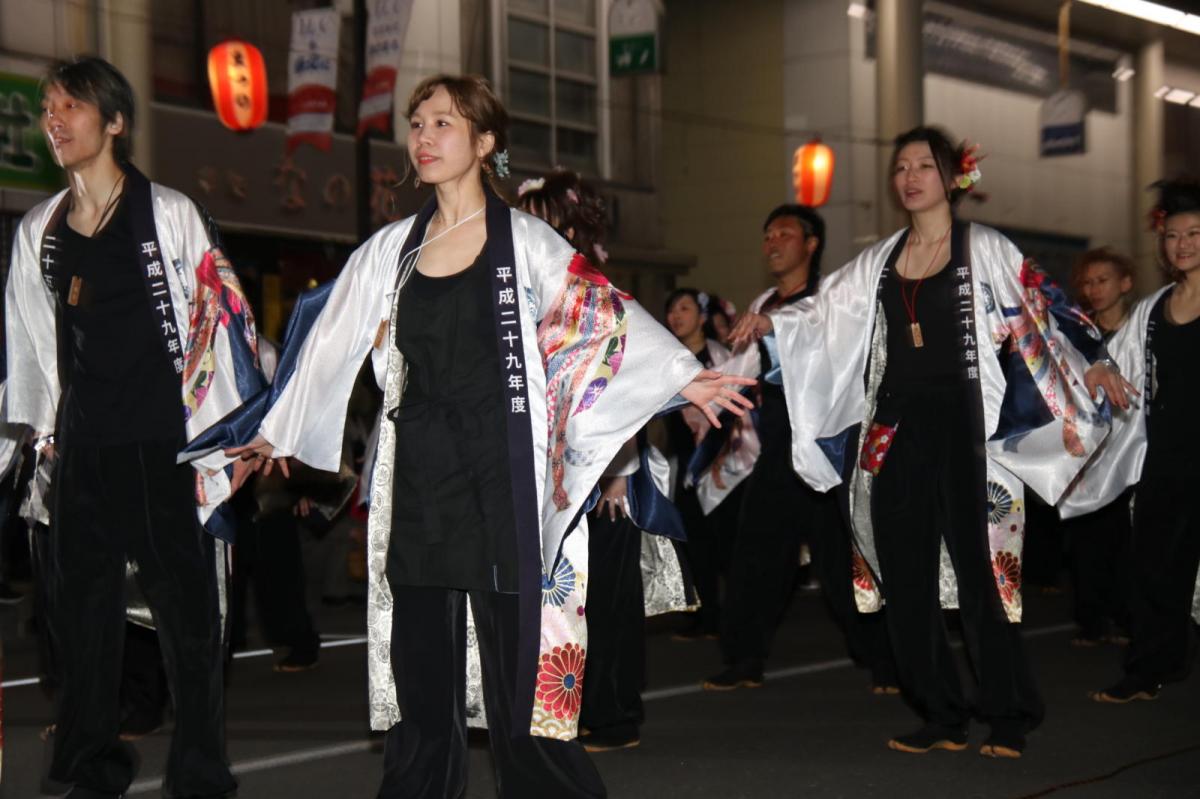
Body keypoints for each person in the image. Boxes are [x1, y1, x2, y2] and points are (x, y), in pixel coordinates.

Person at [226, 74, 752, 797]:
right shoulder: (392, 251)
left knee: (518, 693)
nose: (423, 137)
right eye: (416, 123)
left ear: (485, 142)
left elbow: (600, 317)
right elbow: (328, 339)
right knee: (422, 689)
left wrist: (678, 375)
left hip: (500, 486)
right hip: (418, 486)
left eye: (443, 123)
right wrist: (272, 428)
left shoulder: (525, 242)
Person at [733, 127, 1131, 758]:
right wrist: (773, 320)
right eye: (901, 167)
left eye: (925, 165)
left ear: (952, 178)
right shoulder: (880, 258)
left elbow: (1046, 304)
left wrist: (1095, 361)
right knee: (905, 572)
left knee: (980, 577)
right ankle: (940, 712)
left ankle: (1008, 713)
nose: (911, 175)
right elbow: (822, 310)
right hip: (893, 426)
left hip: (967, 425)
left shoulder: (985, 247)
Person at [5, 57, 258, 797]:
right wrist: (43, 435)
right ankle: (89, 763)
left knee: (188, 624)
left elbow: (223, 318)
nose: (54, 118)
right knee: (81, 622)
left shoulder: (168, 214)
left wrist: (233, 432)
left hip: (163, 446)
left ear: (114, 121)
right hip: (83, 449)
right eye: (48, 107)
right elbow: (26, 343)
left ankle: (201, 769)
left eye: (71, 106)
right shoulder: (40, 231)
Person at [1065, 179, 1200, 703]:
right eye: (1172, 235)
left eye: (1193, 233)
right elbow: (1105, 361)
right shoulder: (1152, 310)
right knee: (1152, 573)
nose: (1182, 244)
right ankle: (1150, 669)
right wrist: (1099, 366)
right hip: (1165, 462)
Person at [1063, 247, 1137, 647]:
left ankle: (1128, 617)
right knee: (1086, 538)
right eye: (1087, 282)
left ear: (1125, 284)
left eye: (1102, 280)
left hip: (1131, 451)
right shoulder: (1079, 333)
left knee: (1125, 539)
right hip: (1089, 453)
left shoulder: (1142, 329)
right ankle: (1091, 620)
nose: (1093, 289)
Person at [661, 287, 732, 641]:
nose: (676, 315)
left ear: (702, 317)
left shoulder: (718, 357)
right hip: (682, 461)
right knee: (693, 542)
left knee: (719, 542)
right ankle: (706, 613)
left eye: (684, 308)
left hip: (717, 462)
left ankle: (727, 615)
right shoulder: (668, 359)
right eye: (672, 308)